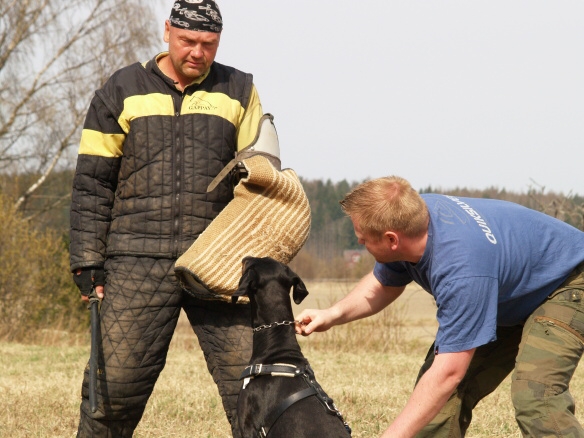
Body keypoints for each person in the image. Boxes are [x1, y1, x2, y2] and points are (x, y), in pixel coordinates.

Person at [69, 1, 266, 436]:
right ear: (167, 32)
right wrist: (87, 260)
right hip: (135, 258)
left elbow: (261, 181)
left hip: (218, 259)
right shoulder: (121, 89)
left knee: (254, 388)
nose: (198, 52)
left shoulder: (240, 90)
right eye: (188, 41)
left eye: (208, 44)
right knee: (112, 390)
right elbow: (93, 183)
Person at [295, 175, 584, 438]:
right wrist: (331, 314)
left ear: (391, 240)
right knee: (437, 399)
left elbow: (449, 372)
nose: (359, 242)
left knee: (536, 397)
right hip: (507, 293)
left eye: (362, 238)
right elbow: (384, 283)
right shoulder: (416, 216)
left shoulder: (461, 271)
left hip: (567, 281)